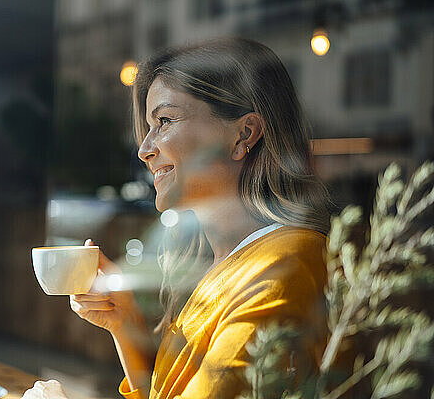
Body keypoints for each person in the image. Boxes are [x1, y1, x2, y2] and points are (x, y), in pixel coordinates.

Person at [22, 37, 333, 399]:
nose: (144, 150)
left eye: (164, 120)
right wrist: (126, 323)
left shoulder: (287, 265)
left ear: (243, 134)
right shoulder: (231, 260)